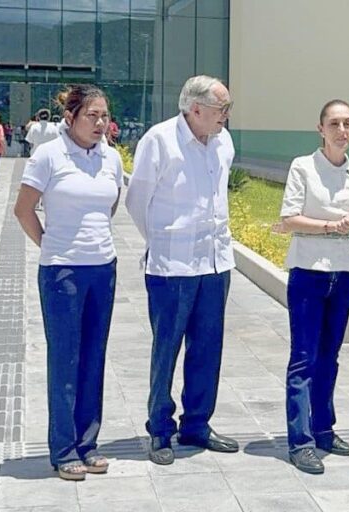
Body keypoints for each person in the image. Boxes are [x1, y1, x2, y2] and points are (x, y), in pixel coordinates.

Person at [125, 75, 239, 465]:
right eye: (222, 108)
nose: (226, 115)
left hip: (216, 261)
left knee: (208, 347)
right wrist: (163, 241)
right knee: (167, 348)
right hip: (172, 265)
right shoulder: (159, 141)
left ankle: (197, 424)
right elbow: (137, 201)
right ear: (196, 109)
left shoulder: (223, 141)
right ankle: (160, 428)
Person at [13, 84, 123, 480]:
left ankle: (88, 442)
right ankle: (63, 449)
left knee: (94, 357)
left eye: (105, 116)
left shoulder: (111, 158)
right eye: (92, 115)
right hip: (62, 272)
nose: (100, 123)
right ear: (71, 117)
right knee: (66, 359)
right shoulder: (48, 156)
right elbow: (23, 210)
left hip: (103, 269)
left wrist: (94, 239)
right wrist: (52, 246)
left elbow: (109, 202)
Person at [273, 99, 349, 474]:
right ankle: (299, 441)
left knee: (329, 357)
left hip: (346, 272)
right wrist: (333, 226)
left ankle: (323, 428)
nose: (342, 130)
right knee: (303, 357)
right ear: (320, 129)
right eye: (334, 123)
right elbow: (289, 218)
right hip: (309, 270)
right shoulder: (303, 167)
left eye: (348, 123)